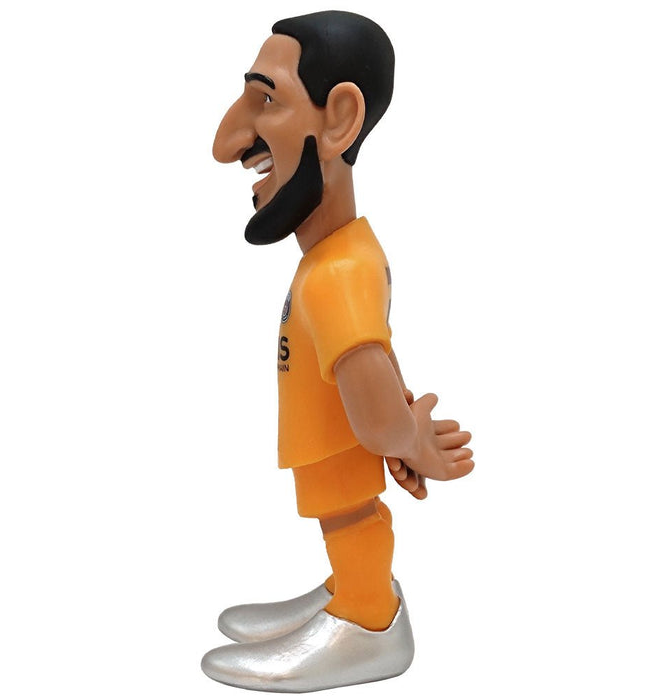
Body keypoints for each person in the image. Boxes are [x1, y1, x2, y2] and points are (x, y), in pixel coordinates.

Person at [202, 11, 474, 692]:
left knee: (350, 515)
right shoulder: (341, 258)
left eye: (266, 100)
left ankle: (367, 616)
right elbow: (372, 357)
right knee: (344, 518)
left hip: (337, 445)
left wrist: (406, 437)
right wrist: (403, 425)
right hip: (331, 437)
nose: (228, 142)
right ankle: (349, 590)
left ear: (340, 120)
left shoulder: (337, 275)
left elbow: (376, 407)